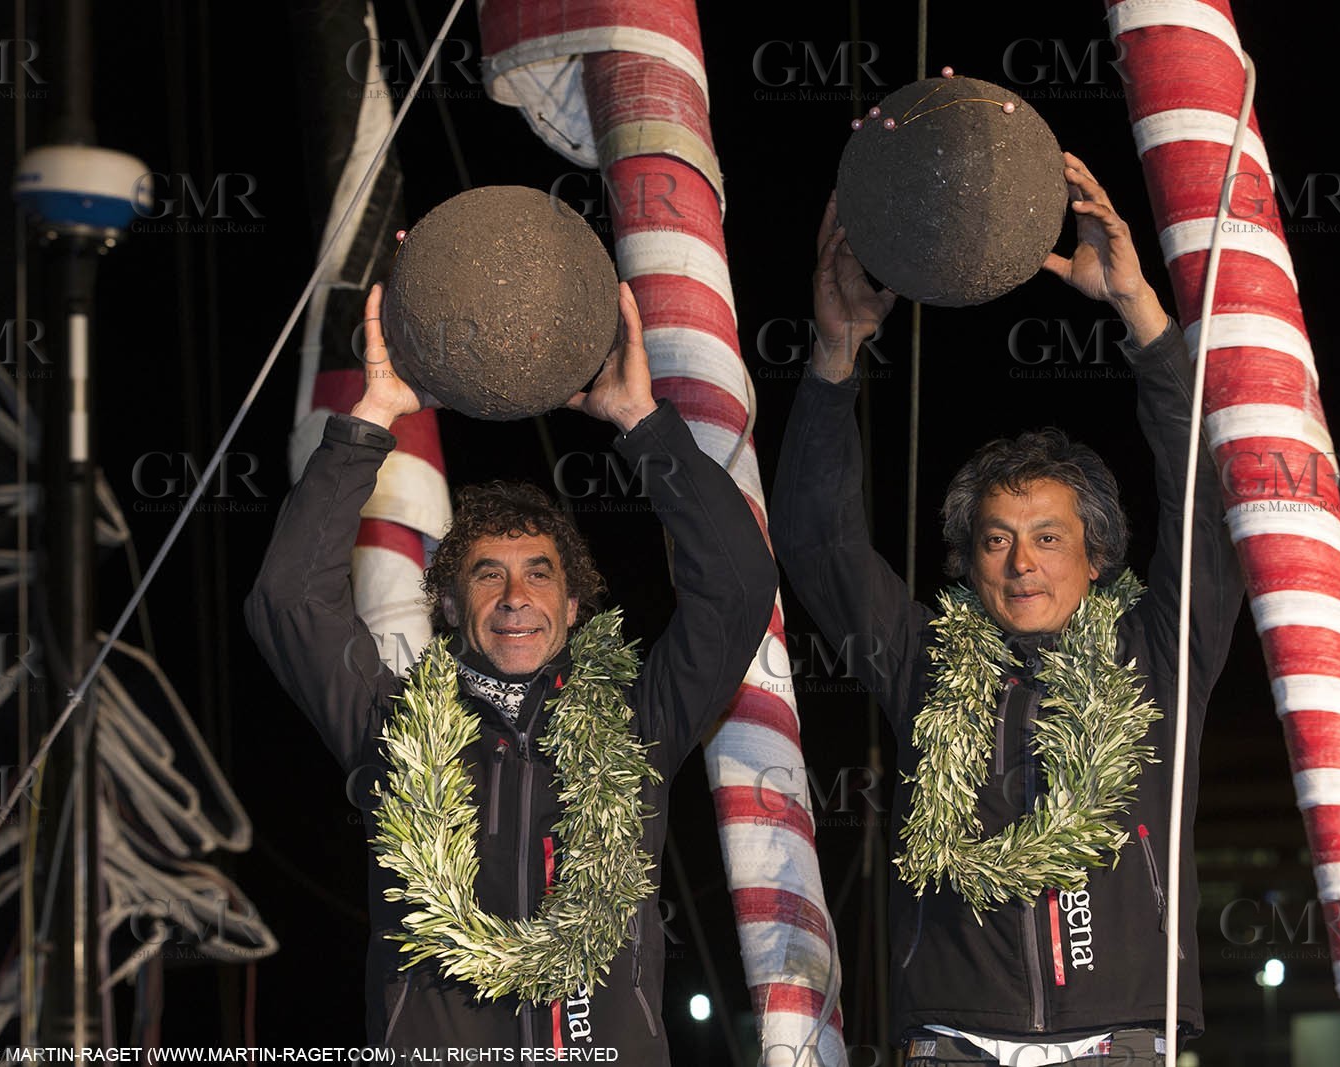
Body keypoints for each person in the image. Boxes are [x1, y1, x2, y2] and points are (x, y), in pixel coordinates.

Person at [770, 153, 1245, 1065]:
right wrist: (835, 358)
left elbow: (1203, 503)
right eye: (996, 539)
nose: (1022, 562)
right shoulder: (922, 659)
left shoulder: (1160, 652)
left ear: (1097, 556)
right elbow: (815, 539)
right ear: (966, 562)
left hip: (1123, 1039)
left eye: (1049, 537)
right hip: (953, 1041)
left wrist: (1143, 316)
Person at [246, 280, 778, 1060]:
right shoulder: (390, 725)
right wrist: (370, 421)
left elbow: (737, 588)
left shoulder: (640, 722)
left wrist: (643, 423)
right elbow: (288, 598)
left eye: (539, 574)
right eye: (487, 575)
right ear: (450, 605)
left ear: (573, 603)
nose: (515, 597)